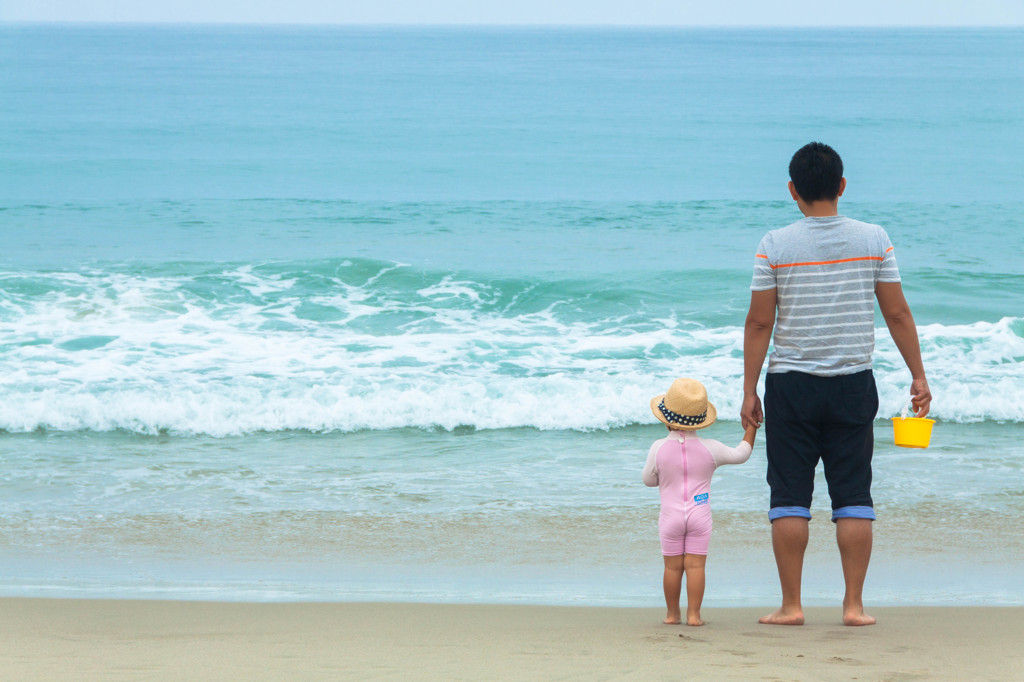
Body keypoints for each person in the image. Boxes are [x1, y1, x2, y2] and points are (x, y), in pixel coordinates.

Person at [741, 141, 932, 627]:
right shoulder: (874, 238)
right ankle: (853, 606)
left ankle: (792, 606)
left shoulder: (774, 245)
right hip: (852, 383)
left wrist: (749, 390)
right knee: (853, 494)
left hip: (790, 386)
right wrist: (918, 374)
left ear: (793, 191)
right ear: (842, 186)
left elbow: (759, 324)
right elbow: (896, 312)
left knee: (788, 496)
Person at [643, 377, 757, 626]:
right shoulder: (711, 448)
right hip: (700, 515)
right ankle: (694, 616)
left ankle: (672, 615)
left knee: (672, 568)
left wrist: (664, 478)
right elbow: (742, 454)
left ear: (666, 418)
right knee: (695, 567)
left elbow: (648, 480)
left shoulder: (658, 448)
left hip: (670, 517)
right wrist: (752, 426)